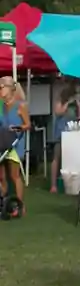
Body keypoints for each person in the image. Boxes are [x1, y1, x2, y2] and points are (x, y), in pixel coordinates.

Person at [0, 76, 30, 214]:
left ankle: (20, 206)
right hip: (3, 141)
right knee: (2, 176)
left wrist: (18, 127)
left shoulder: (20, 105)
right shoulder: (2, 106)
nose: (0, 90)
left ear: (10, 89)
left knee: (14, 175)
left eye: (2, 87)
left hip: (15, 142)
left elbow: (28, 125)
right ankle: (6, 204)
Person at [49, 84, 80, 193]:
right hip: (60, 134)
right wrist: (67, 103)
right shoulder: (61, 101)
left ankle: (70, 184)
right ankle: (53, 185)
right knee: (56, 158)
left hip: (72, 134)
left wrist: (78, 104)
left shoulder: (75, 104)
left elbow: (79, 116)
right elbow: (58, 112)